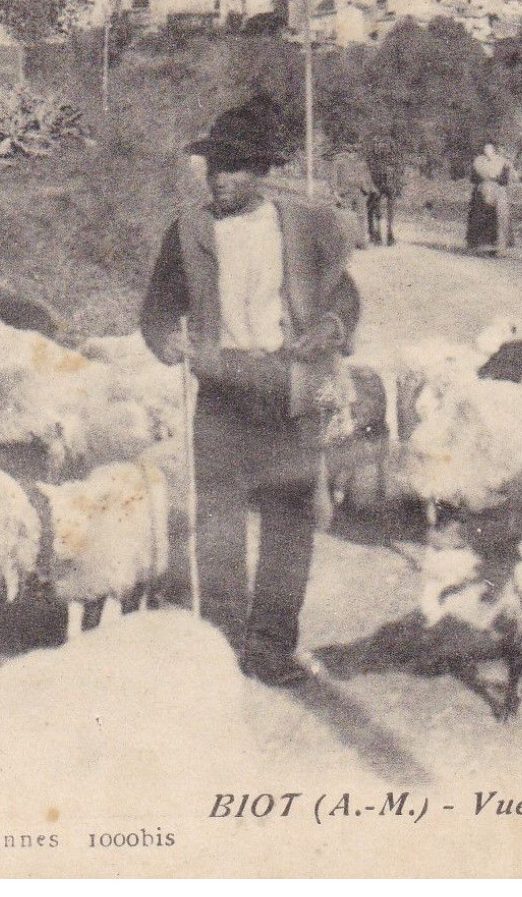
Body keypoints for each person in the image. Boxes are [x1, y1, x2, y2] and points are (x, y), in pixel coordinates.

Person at [140, 94, 361, 687]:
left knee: (288, 525)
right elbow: (158, 309)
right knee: (217, 525)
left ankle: (270, 648)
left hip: (286, 386)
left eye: (233, 167)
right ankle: (220, 648)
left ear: (261, 171)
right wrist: (169, 343)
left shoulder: (304, 226)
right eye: (212, 167)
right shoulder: (187, 230)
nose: (218, 180)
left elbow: (344, 294)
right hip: (219, 387)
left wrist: (329, 331)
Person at [466, 143, 513, 256]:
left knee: (499, 218)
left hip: (498, 194)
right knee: (480, 218)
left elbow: (505, 179)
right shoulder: (478, 162)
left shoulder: (502, 162)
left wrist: (495, 181)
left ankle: (499, 247)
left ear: (494, 151)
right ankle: (480, 247)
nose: (487, 152)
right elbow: (473, 178)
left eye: (490, 150)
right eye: (485, 150)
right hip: (481, 193)